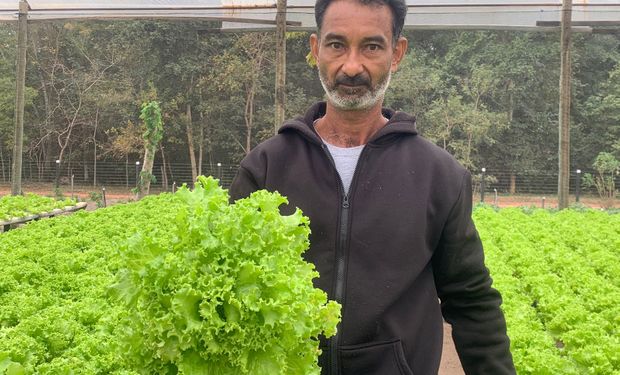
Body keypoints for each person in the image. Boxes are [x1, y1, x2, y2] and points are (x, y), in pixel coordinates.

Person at [229, 0, 516, 373]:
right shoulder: (265, 167)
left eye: (371, 46)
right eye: (336, 45)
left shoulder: (439, 176)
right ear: (315, 50)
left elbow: (472, 302)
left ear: (397, 53)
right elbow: (229, 287)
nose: (351, 66)